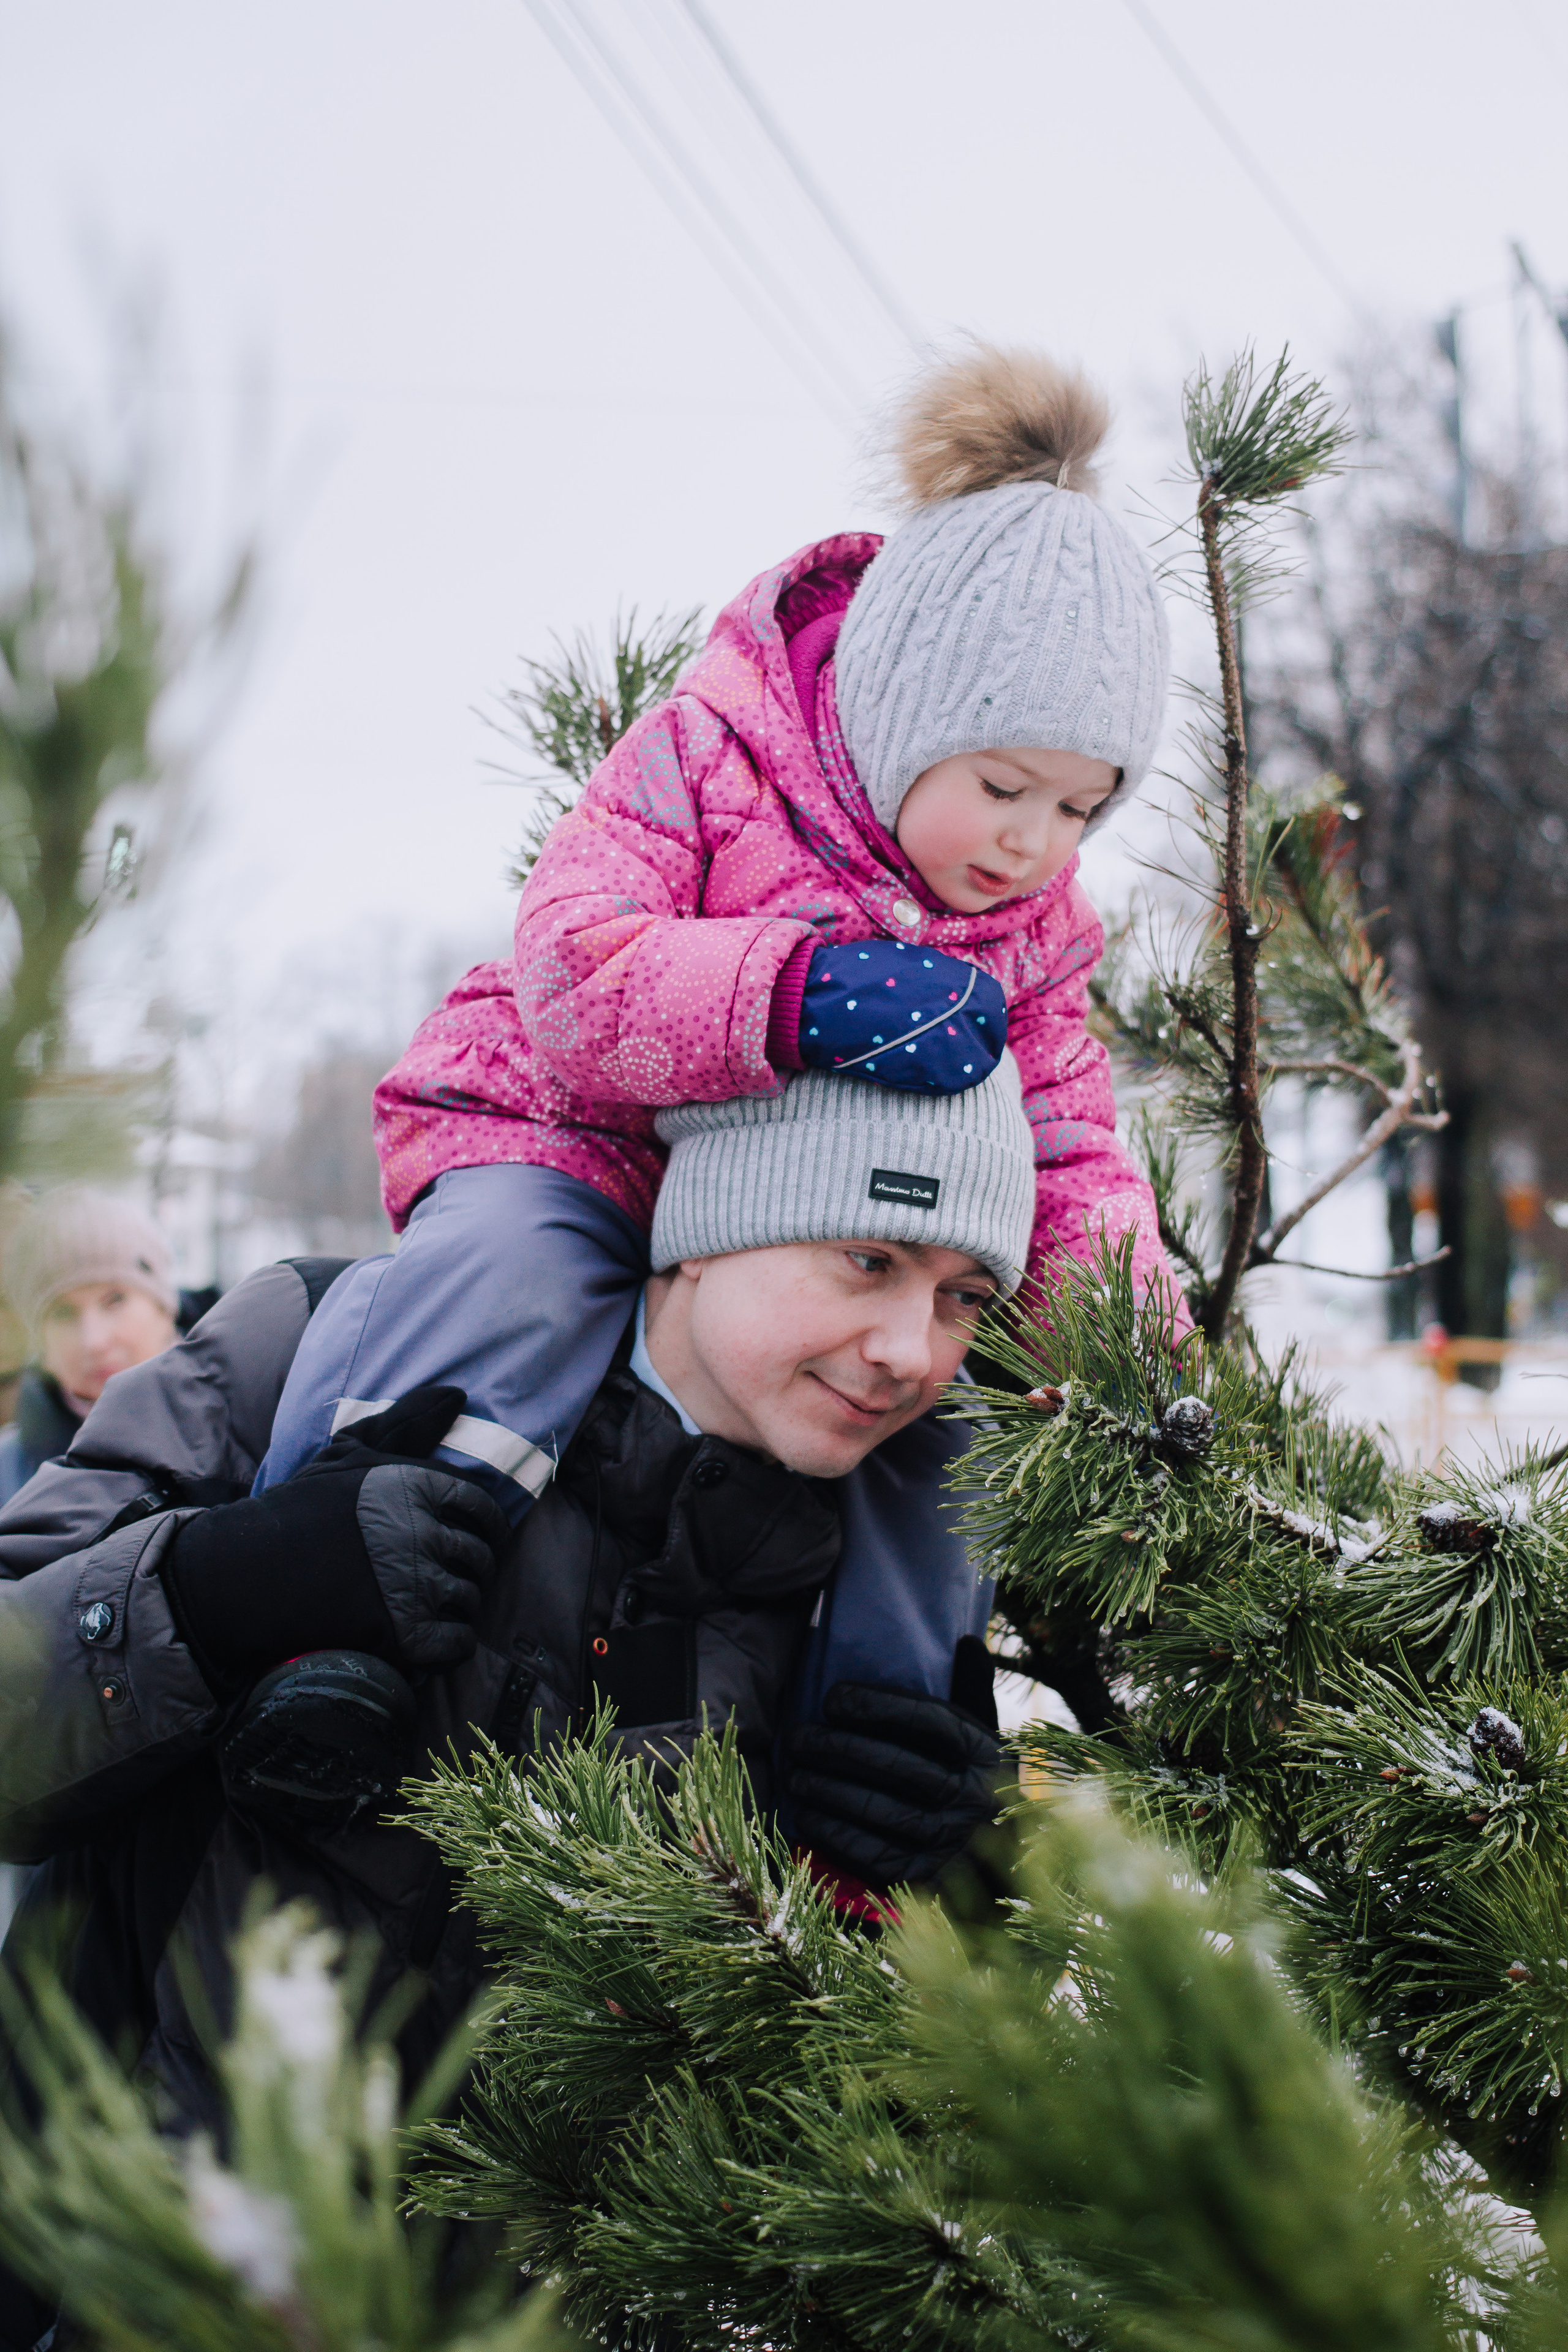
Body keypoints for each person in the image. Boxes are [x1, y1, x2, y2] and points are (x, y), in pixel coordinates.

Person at [257, 345, 1184, 1709]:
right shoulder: (713, 759)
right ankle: (336, 1627)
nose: (1031, 841)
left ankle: (882, 1732)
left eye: (1077, 809)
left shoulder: (1036, 931)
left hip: (814, 1247)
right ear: (898, 712)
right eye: (1002, 784)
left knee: (929, 1446)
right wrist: (793, 994)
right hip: (572, 1133)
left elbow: (1069, 1145)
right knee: (504, 1296)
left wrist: (1129, 1348)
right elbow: (575, 966)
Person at [0, 1060, 1032, 2239]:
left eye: (965, 1297)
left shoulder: (888, 1586)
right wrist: (207, 1590)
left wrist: (971, 1885)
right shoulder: (321, 1356)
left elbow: (875, 2167)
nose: (911, 1348)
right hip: (107, 2268)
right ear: (707, 1230)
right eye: (870, 1260)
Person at [0, 1191, 186, 1509]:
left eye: (115, 1300)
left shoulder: (252, 1426)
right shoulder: (10, 1477)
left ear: (163, 1309)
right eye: (63, 1314)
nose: (94, 1341)